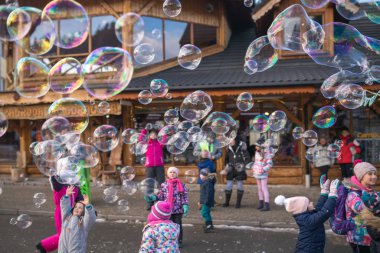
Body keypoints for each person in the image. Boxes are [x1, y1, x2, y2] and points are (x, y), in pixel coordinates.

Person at [274, 176, 339, 253]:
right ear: (304, 209)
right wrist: (332, 195)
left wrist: (324, 192)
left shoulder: (307, 215)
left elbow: (319, 208)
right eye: (309, 203)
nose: (312, 202)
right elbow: (324, 213)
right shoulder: (307, 221)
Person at [144, 167, 189, 248]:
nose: (172, 173)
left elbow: (184, 196)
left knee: (178, 225)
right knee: (168, 226)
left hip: (178, 210)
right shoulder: (164, 185)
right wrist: (154, 197)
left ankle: (179, 241)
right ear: (168, 174)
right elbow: (161, 196)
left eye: (174, 172)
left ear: (177, 174)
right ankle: (170, 240)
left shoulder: (182, 185)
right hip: (167, 211)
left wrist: (185, 205)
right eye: (170, 172)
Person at [36, 176, 83, 253]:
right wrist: (53, 171)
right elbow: (54, 178)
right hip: (60, 214)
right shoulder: (59, 184)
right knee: (65, 236)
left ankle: (44, 245)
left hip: (71, 214)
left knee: (68, 236)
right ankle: (44, 246)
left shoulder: (75, 185)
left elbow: (80, 200)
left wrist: (87, 209)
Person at [345, 161, 379, 252]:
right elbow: (362, 208)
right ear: (361, 177)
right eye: (370, 174)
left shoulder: (369, 190)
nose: (374, 176)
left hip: (371, 236)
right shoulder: (353, 194)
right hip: (360, 238)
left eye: (375, 174)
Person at [58, 185, 96, 253]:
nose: (77, 208)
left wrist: (87, 205)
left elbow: (90, 218)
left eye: (80, 208)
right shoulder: (67, 217)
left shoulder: (83, 222)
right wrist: (66, 196)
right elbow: (64, 207)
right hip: (63, 248)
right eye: (76, 207)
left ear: (84, 212)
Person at [140, 128, 166, 210]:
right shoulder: (147, 143)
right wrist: (144, 130)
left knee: (162, 185)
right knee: (149, 185)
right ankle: (149, 203)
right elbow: (140, 139)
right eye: (151, 134)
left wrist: (161, 130)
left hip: (159, 166)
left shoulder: (160, 143)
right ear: (149, 136)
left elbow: (165, 138)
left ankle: (161, 202)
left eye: (155, 134)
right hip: (149, 167)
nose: (153, 135)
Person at [222, 136, 250, 208]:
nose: (230, 142)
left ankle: (238, 203)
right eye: (229, 140)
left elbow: (247, 158)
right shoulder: (228, 149)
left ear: (235, 140)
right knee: (229, 185)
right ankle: (227, 202)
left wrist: (244, 167)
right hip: (231, 169)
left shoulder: (241, 148)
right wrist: (226, 169)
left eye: (231, 140)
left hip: (240, 169)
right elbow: (227, 160)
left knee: (240, 185)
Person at [252, 138, 273, 211]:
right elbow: (256, 162)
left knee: (264, 188)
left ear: (261, 146)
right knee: (259, 188)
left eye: (257, 146)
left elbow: (270, 164)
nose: (256, 147)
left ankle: (267, 205)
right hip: (257, 173)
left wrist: (263, 169)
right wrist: (254, 167)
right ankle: (261, 203)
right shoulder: (257, 152)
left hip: (263, 174)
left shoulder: (267, 154)